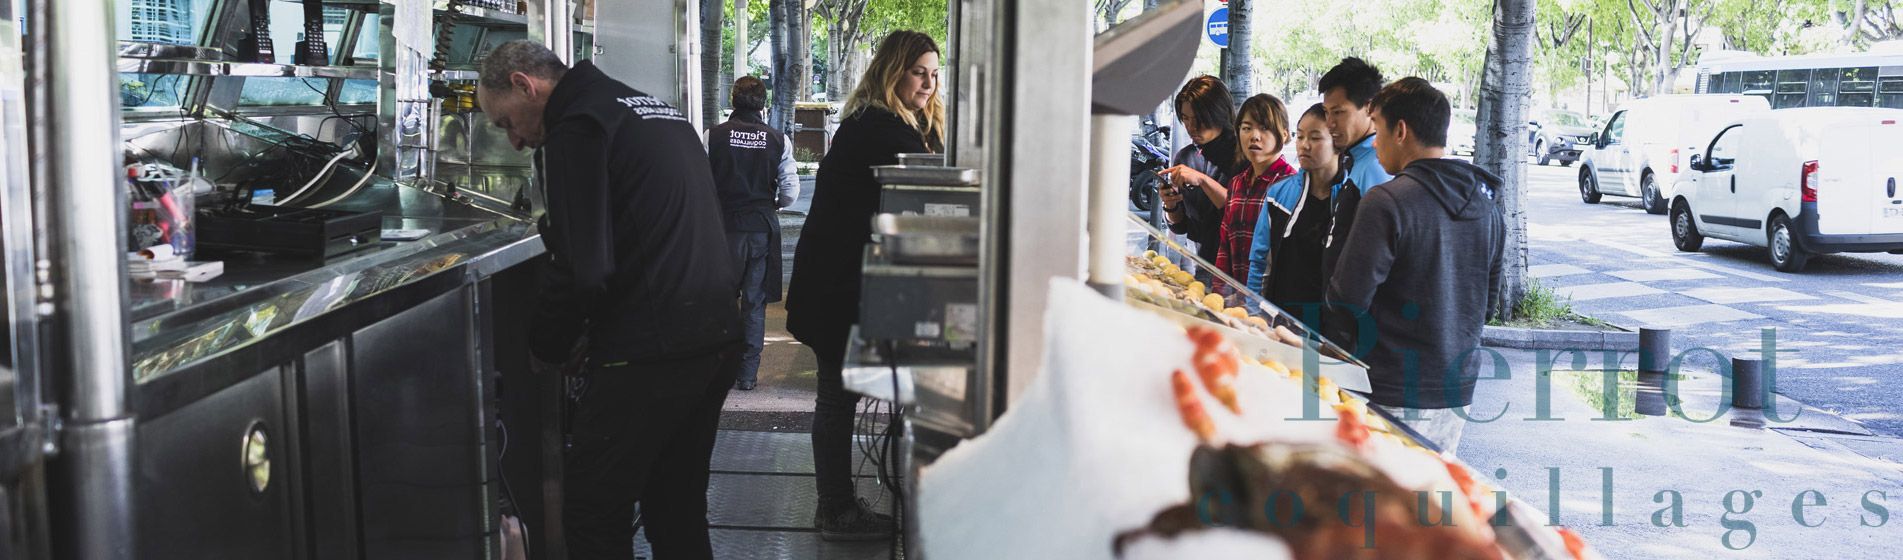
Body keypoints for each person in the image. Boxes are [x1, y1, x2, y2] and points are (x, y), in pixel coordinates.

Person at [477, 40, 742, 559]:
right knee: (677, 507)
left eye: (506, 122)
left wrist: (547, 345)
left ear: (524, 85)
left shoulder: (577, 128)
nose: (514, 141)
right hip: (714, 339)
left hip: (651, 352)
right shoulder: (648, 109)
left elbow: (583, 266)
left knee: (592, 512)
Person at [783, 30, 945, 541]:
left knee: (837, 397)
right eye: (918, 72)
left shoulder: (875, 121)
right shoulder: (883, 129)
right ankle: (834, 510)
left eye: (934, 73)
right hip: (838, 289)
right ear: (893, 72)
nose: (929, 83)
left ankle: (835, 505)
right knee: (836, 399)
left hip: (836, 283)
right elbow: (933, 195)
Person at [1321, 77, 1505, 455]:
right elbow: (1487, 305)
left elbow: (1346, 300)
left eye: (1378, 130)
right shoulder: (1488, 207)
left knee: (1378, 487)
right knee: (1430, 487)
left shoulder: (1386, 201)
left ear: (1401, 131)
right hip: (1457, 390)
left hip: (1389, 386)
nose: (1375, 142)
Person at [705, 76, 802, 391]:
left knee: (719, 300)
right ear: (764, 103)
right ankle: (747, 375)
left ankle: (717, 369)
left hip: (723, 229)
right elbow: (790, 191)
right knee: (754, 301)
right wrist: (774, 203)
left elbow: (699, 180)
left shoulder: (713, 136)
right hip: (760, 227)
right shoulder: (778, 140)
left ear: (733, 99)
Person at [1166, 93, 1295, 286]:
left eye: (1264, 128)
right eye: (1246, 128)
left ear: (1284, 134)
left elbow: (1290, 259)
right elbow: (1225, 248)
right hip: (1228, 286)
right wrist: (1222, 292)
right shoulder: (1238, 183)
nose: (1254, 136)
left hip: (1269, 295)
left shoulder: (1291, 186)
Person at [1247, 103, 1349, 318]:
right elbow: (1260, 261)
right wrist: (1254, 313)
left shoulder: (1351, 199)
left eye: (1315, 138)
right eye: (1300, 136)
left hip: (1327, 324)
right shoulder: (1278, 194)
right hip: (1280, 317)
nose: (1304, 145)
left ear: (1338, 143)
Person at [1317, 57, 1394, 277]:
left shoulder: (1377, 166)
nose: (1329, 123)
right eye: (1326, 112)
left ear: (1369, 108)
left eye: (1338, 112)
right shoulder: (1353, 159)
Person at [1159, 76, 1247, 268]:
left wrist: (1202, 180)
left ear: (1219, 113)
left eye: (1199, 119)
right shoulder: (1185, 157)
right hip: (1200, 264)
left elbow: (1242, 215)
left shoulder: (1245, 155)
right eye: (1185, 118)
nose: (1191, 127)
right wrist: (1170, 205)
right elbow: (1181, 226)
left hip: (1240, 265)